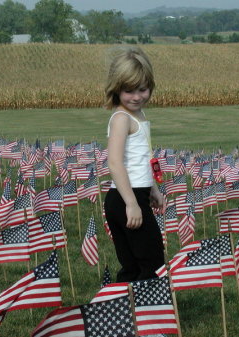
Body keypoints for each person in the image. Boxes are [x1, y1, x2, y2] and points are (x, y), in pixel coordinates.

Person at [103, 46, 165, 282]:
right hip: (125, 197)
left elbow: (142, 159)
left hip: (136, 193)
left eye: (143, 89)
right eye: (129, 90)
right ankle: (146, 311)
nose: (137, 96)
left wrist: (154, 190)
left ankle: (125, 311)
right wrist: (132, 204)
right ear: (116, 89)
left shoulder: (138, 115)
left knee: (135, 263)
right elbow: (115, 163)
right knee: (151, 261)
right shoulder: (121, 118)